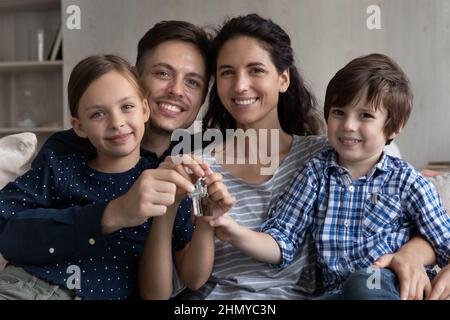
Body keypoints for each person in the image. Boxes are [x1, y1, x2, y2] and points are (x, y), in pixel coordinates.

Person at [140, 14, 447, 300]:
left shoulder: (327, 155)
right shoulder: (198, 165)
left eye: (256, 70)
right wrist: (208, 217)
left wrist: (411, 255)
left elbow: (404, 204)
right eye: (226, 73)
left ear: (283, 79)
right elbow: (191, 278)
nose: (240, 85)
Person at [0, 20, 216, 299]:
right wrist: (110, 214)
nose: (176, 90)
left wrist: (206, 214)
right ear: (138, 77)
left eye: (192, 81)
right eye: (163, 73)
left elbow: (188, 276)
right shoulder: (68, 152)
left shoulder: (193, 163)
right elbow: (8, 230)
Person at [222, 53, 450, 299]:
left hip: (385, 282)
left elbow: (444, 240)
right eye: (339, 112)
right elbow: (282, 240)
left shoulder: (407, 180)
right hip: (334, 293)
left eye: (365, 115)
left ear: (394, 126)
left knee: (364, 281)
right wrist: (233, 231)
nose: (348, 125)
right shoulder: (315, 173)